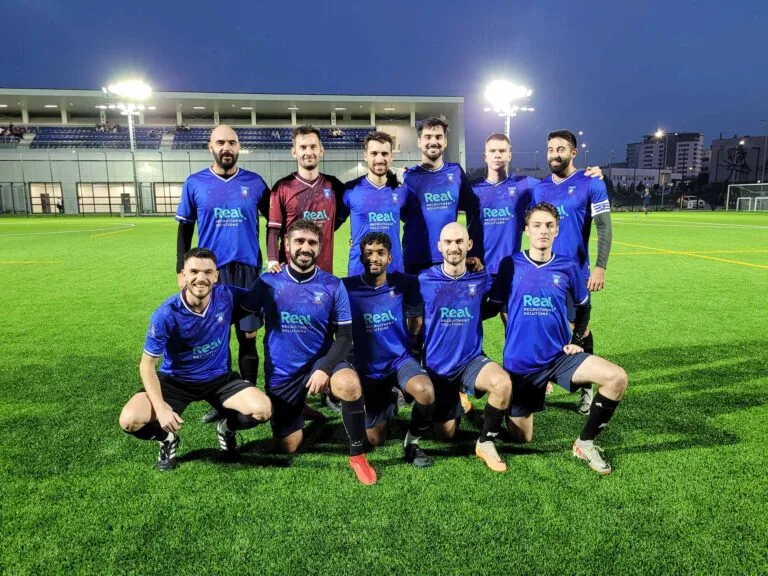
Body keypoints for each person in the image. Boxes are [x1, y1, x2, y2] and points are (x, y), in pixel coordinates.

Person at [490, 202, 628, 474]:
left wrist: (577, 339)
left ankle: (585, 443)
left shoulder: (568, 266)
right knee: (522, 438)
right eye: (537, 225)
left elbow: (584, 305)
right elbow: (498, 307)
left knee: (617, 378)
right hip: (523, 364)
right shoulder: (510, 265)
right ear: (527, 230)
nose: (543, 231)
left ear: (557, 230)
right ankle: (512, 404)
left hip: (559, 357)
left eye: (549, 226)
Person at [243, 219, 377, 485]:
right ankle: (299, 407)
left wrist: (324, 367)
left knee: (350, 384)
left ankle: (357, 455)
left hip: (322, 360)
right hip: (283, 371)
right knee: (288, 447)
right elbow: (247, 318)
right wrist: (251, 329)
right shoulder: (267, 282)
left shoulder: (332, 285)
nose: (305, 248)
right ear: (286, 245)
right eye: (299, 241)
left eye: (312, 243)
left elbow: (345, 336)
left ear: (319, 247)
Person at [118, 248, 272, 471]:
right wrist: (161, 408)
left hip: (219, 379)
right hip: (176, 382)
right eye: (194, 271)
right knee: (130, 420)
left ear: (216, 276)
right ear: (183, 275)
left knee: (262, 409)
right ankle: (167, 439)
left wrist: (274, 272)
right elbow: (147, 365)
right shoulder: (166, 314)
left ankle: (226, 428)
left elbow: (259, 295)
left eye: (208, 272)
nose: (201, 278)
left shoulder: (227, 295)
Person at [175, 125, 270, 404]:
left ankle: (249, 394)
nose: (226, 147)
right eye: (220, 142)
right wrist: (181, 271)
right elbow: (184, 231)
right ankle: (223, 401)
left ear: (239, 147)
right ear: (210, 147)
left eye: (232, 142)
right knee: (216, 338)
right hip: (211, 273)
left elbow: (277, 223)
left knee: (248, 335)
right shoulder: (195, 183)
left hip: (249, 270)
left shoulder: (255, 183)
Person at [416, 222, 512, 472]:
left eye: (459, 242)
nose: (454, 247)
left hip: (471, 360)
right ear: (439, 246)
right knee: (445, 436)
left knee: (502, 384)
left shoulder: (481, 277)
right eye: (448, 242)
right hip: (439, 368)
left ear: (469, 245)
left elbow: (495, 300)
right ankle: (460, 399)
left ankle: (486, 442)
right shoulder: (424, 280)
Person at [531, 130, 613, 414]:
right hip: (544, 271)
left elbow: (603, 227)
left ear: (573, 152)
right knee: (544, 323)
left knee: (580, 328)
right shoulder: (539, 188)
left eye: (561, 149)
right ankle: (542, 379)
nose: (555, 154)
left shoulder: (591, 182)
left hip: (576, 272)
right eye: (551, 149)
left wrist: (600, 266)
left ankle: (587, 386)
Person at [343, 232, 435, 467]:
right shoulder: (346, 287)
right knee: (375, 439)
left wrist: (469, 262)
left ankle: (412, 444)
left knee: (425, 391)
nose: (374, 258)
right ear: (361, 258)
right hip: (369, 369)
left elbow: (437, 276)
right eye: (368, 253)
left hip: (398, 360)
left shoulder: (405, 282)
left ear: (390, 258)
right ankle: (388, 401)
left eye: (380, 253)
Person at [401, 117, 482, 275]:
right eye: (428, 137)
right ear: (419, 142)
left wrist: (469, 246)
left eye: (438, 137)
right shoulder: (408, 177)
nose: (433, 141)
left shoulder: (456, 172)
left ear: (445, 142)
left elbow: (474, 209)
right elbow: (403, 214)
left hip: (450, 259)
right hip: (415, 261)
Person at [267, 125, 345, 275]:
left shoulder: (334, 185)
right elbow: (273, 229)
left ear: (321, 150)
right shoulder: (282, 187)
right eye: (303, 147)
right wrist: (272, 259)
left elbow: (356, 198)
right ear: (294, 152)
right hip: (291, 270)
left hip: (324, 272)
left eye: (313, 147)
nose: (308, 152)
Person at [336, 131, 406, 276]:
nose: (379, 159)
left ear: (391, 156)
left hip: (394, 271)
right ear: (365, 155)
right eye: (374, 153)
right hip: (359, 271)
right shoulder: (350, 189)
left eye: (384, 154)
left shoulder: (401, 189)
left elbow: (415, 222)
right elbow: (331, 225)